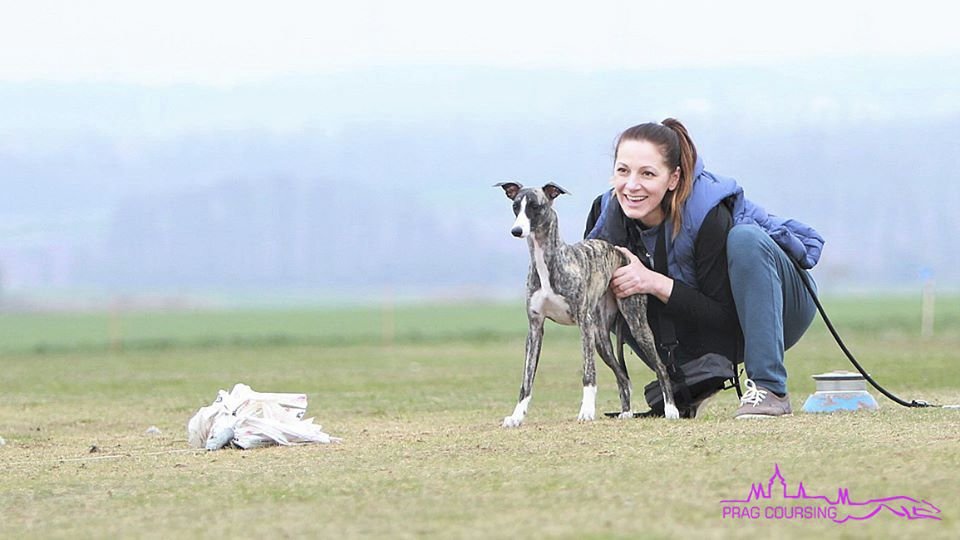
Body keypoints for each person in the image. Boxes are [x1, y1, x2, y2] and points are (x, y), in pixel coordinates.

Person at [584, 119, 823, 419]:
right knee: (607, 282)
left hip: (777, 310)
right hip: (696, 330)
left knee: (745, 239)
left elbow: (725, 320)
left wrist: (652, 282)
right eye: (623, 171)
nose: (631, 185)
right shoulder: (606, 216)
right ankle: (686, 383)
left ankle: (769, 388)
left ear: (673, 178)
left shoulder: (709, 215)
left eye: (647, 173)